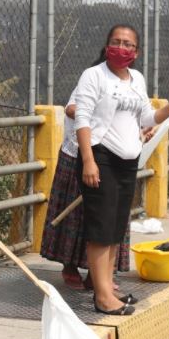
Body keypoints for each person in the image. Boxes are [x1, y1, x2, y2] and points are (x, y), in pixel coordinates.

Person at [74, 24, 169, 315]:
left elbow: (148, 116)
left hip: (128, 162)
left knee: (115, 228)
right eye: (116, 42)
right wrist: (88, 160)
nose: (122, 48)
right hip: (101, 157)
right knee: (101, 229)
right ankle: (102, 297)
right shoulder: (94, 75)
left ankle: (108, 286)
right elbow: (82, 117)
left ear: (136, 52)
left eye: (128, 44)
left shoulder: (136, 79)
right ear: (106, 45)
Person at [40, 93, 132, 291]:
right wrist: (101, 116)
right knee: (75, 215)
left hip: (114, 157)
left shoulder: (133, 84)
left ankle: (98, 275)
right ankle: (70, 266)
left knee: (108, 217)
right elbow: (71, 109)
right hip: (80, 156)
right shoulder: (93, 78)